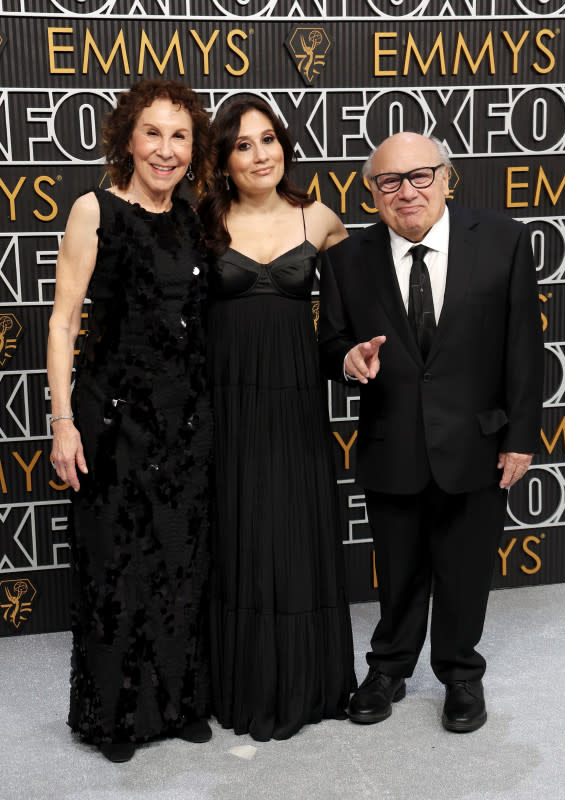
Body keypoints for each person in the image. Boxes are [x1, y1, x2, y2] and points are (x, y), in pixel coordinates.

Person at [318, 131, 543, 733]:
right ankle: (389, 668)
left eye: (421, 176)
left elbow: (524, 348)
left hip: (478, 439)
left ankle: (461, 675)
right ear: (372, 194)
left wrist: (522, 436)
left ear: (447, 179)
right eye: (389, 181)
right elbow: (331, 342)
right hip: (392, 441)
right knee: (397, 569)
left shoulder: (504, 241)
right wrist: (348, 360)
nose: (407, 191)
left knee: (466, 568)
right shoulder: (345, 260)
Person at [47, 79, 214, 762]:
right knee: (116, 566)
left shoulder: (195, 218)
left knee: (179, 562)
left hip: (185, 421)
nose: (166, 150)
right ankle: (114, 715)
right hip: (110, 417)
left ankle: (175, 705)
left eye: (179, 136)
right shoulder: (95, 210)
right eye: (153, 133)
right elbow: (61, 322)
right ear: (128, 136)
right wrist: (62, 422)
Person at [199, 97, 355, 741]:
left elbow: (344, 326)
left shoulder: (320, 219)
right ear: (224, 160)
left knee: (294, 531)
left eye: (268, 140)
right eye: (242, 144)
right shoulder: (199, 221)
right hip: (226, 403)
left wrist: (356, 357)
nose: (260, 154)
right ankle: (240, 682)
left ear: (284, 147)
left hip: (295, 402)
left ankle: (307, 680)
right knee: (238, 531)